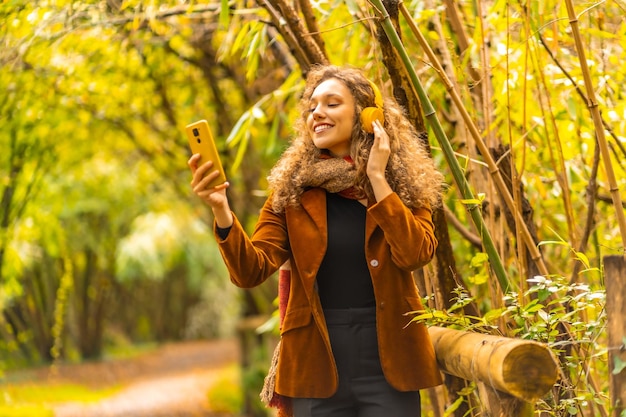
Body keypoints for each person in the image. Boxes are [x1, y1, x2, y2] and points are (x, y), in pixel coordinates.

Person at [188, 64, 444, 417]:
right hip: (316, 359)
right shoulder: (291, 192)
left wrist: (377, 180)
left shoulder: (404, 188)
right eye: (312, 107)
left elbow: (415, 253)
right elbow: (251, 270)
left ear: (368, 116)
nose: (316, 113)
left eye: (332, 103)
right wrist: (221, 211)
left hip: (391, 359)